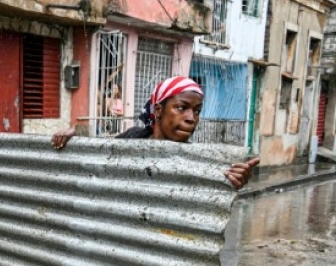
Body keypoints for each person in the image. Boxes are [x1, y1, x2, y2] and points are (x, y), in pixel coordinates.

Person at [52, 76, 259, 190]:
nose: (191, 118)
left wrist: (232, 182)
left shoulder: (199, 160)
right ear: (158, 110)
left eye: (197, 111)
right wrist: (74, 141)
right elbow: (96, 158)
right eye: (181, 107)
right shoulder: (132, 138)